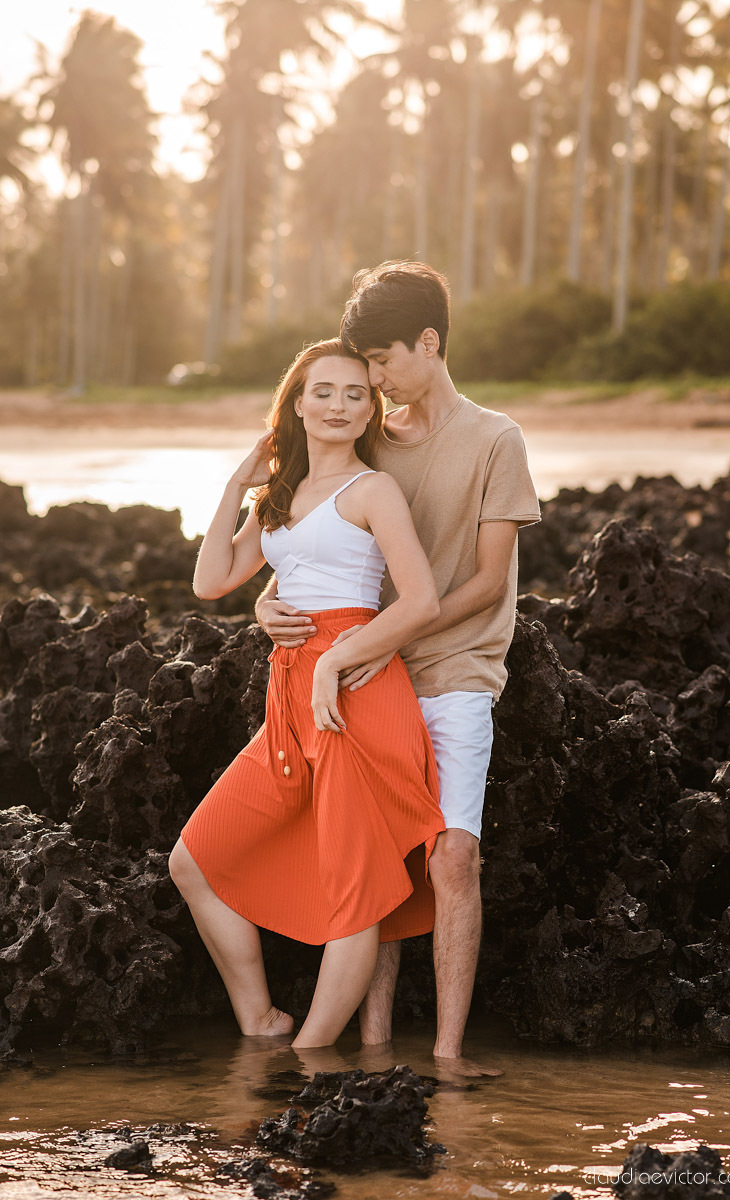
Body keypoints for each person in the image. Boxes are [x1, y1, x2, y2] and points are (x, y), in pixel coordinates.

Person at [255, 261, 541, 1076]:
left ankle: (447, 1055)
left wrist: (371, 638)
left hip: (453, 671)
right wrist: (267, 605)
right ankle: (375, 1046)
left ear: (429, 343)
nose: (370, 381)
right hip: (363, 678)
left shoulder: (496, 439)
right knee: (374, 857)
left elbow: (486, 580)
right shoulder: (372, 439)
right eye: (362, 366)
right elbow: (317, 538)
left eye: (381, 361)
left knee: (452, 854)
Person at [168, 337, 446, 1051]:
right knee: (193, 861)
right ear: (296, 402)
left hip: (355, 691)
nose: (339, 405)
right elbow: (210, 582)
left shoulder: (372, 490)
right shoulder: (280, 497)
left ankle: (310, 1057)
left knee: (356, 890)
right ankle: (260, 1021)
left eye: (357, 394)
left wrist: (335, 656)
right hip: (289, 701)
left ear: (370, 411)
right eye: (323, 391)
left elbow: (419, 601)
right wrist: (238, 484)